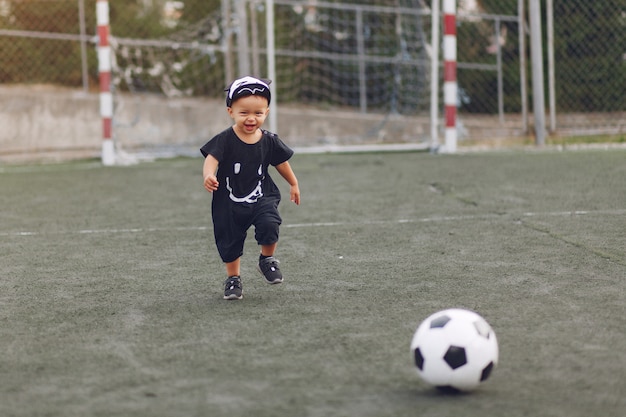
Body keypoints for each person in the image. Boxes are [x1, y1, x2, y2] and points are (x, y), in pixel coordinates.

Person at [201, 76, 300, 300]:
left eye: (258, 113)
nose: (251, 118)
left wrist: (293, 183)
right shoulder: (224, 139)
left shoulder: (269, 140)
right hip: (229, 202)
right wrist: (209, 174)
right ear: (230, 111)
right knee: (230, 239)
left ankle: (266, 259)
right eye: (244, 112)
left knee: (270, 222)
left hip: (261, 194)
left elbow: (281, 162)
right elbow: (211, 159)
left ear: (266, 112)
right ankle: (233, 278)